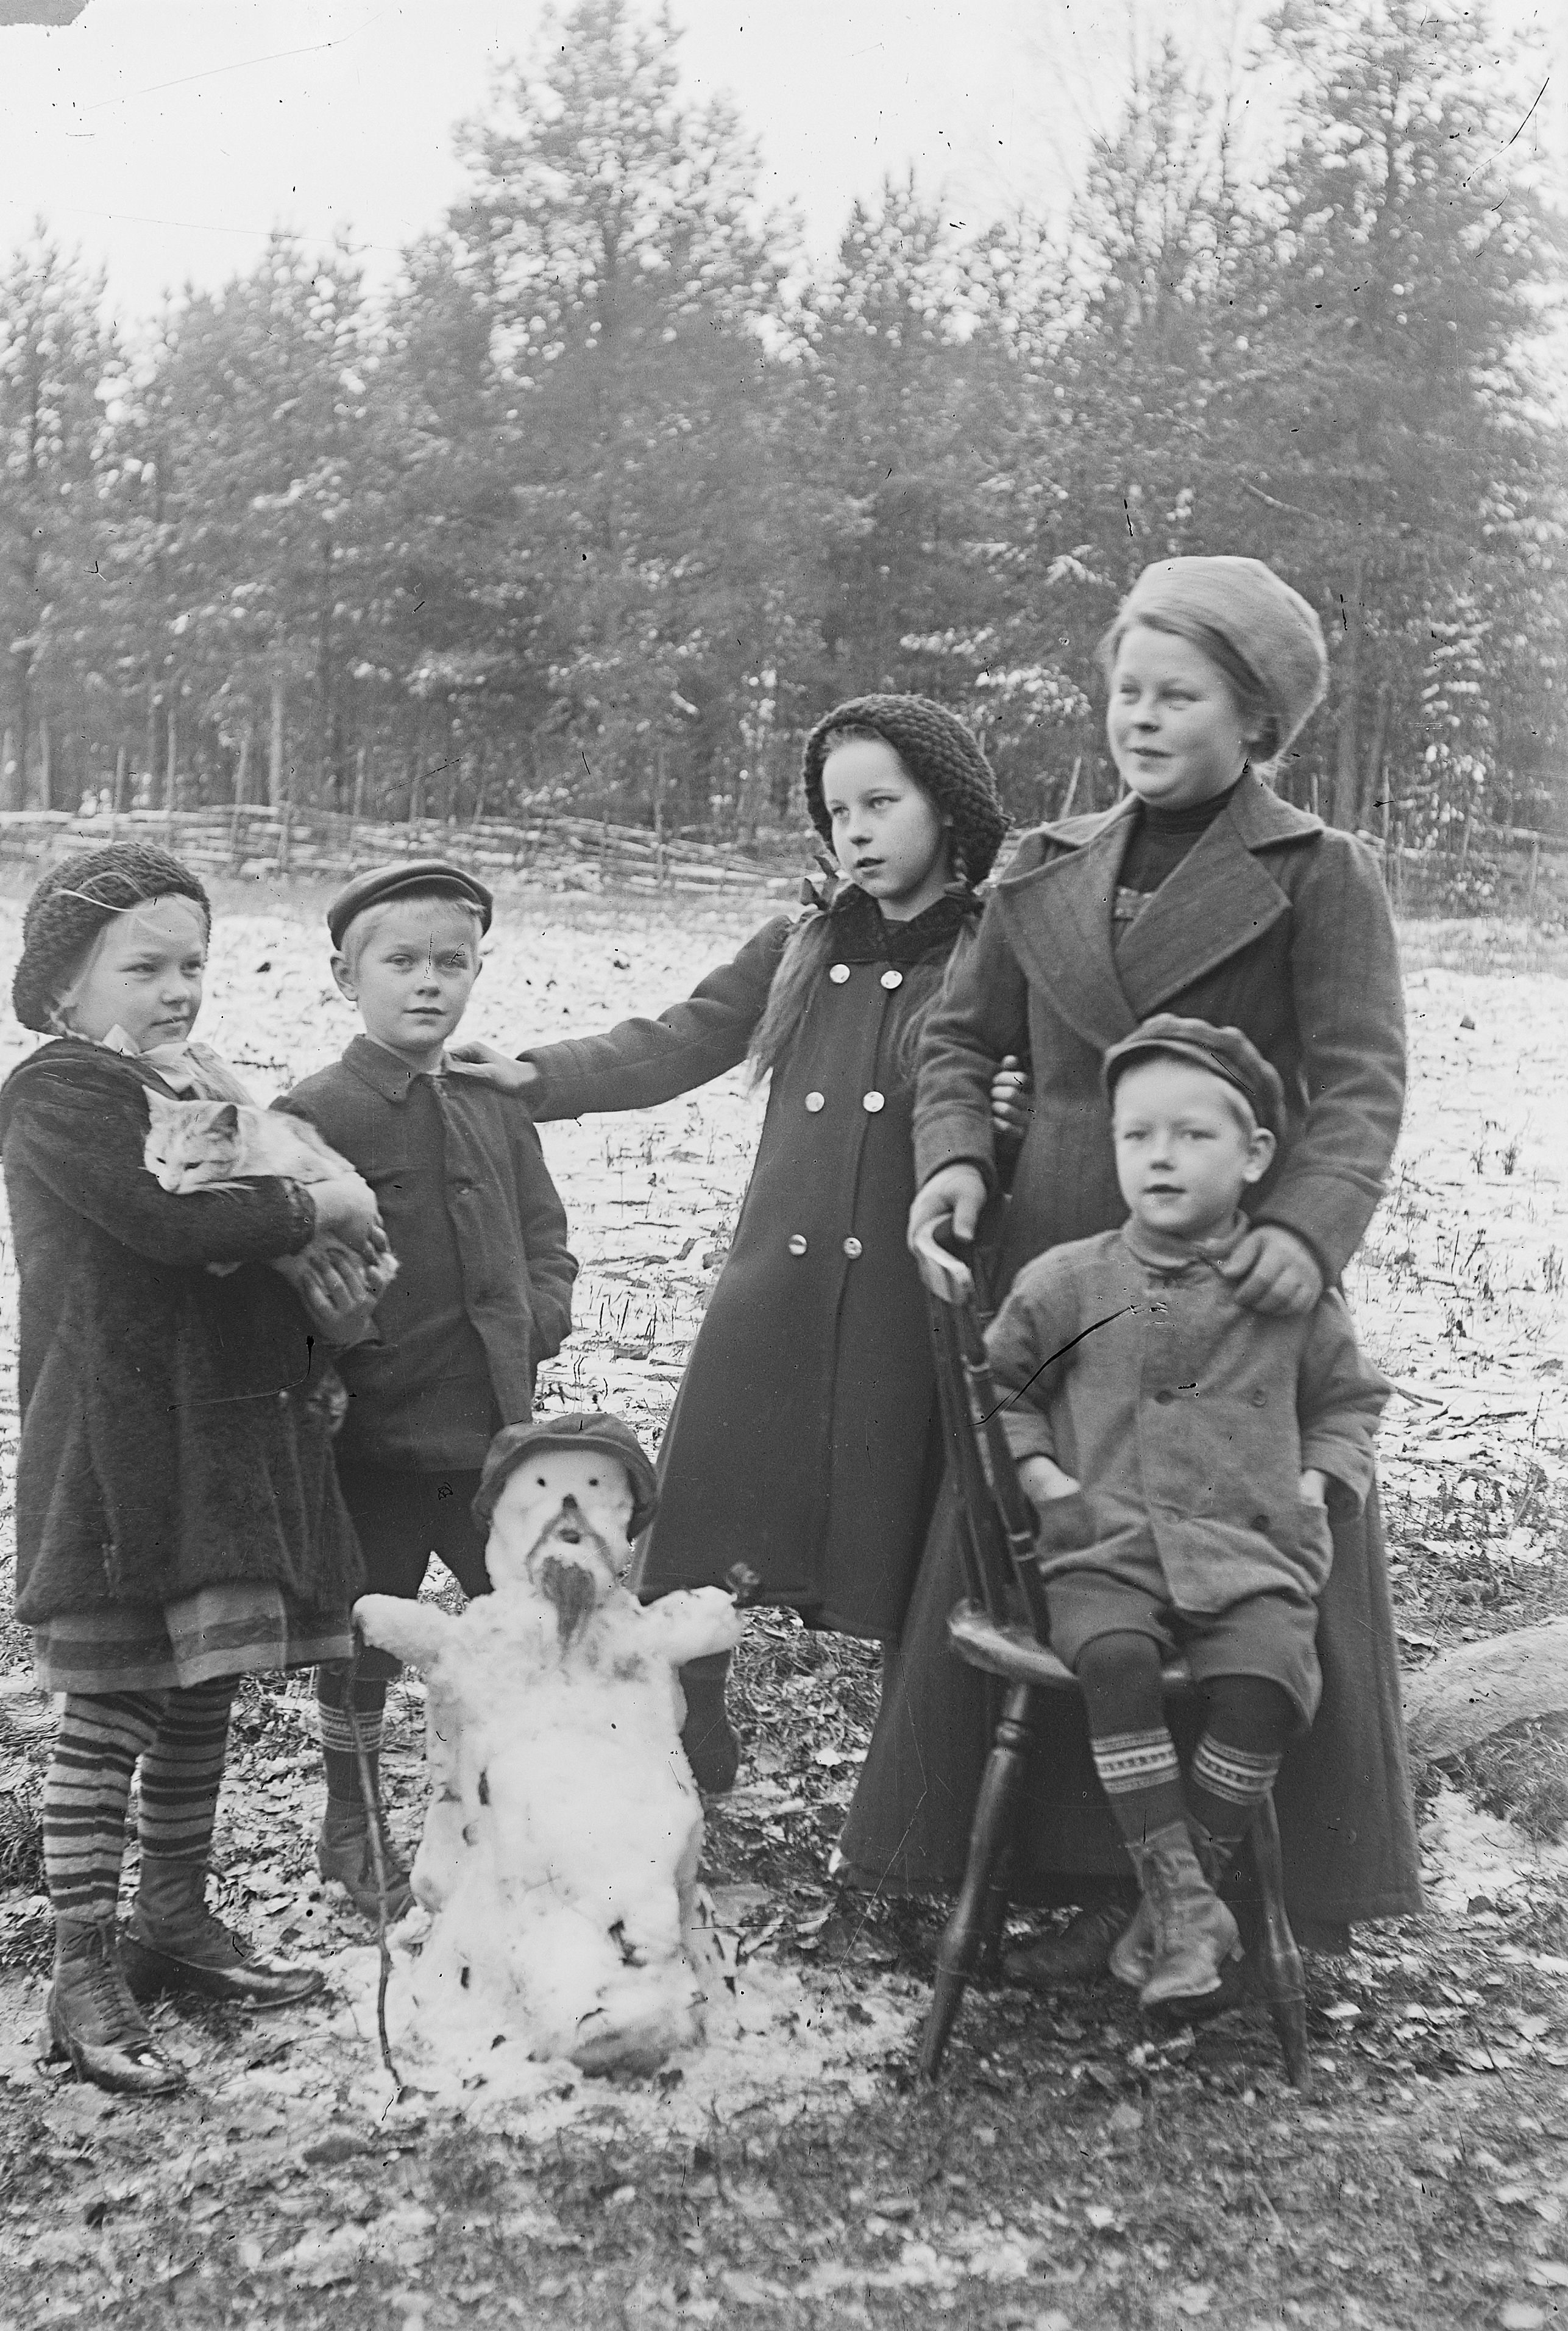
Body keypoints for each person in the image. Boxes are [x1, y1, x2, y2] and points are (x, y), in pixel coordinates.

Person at [841, 554, 1422, 1980]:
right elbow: (964, 1043)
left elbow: (1357, 1085)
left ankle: (1250, 1888)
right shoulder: (1042, 863)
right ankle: (1044, 1866)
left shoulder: (1317, 873)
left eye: (1181, 695)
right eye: (1126, 691)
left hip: (1241, 1279)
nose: (1142, 720)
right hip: (1062, 1259)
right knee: (1068, 1548)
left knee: (1244, 1570)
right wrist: (958, 1159)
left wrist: (1305, 1228)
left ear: (1259, 719)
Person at [455, 696, 1018, 1792]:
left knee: (909, 1521)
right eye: (836, 810)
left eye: (881, 804)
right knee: (708, 1506)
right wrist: (541, 1077)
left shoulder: (992, 951)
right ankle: (690, 1714)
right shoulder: (803, 941)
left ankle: (913, 1780)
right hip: (779, 1281)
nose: (854, 831)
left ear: (948, 812)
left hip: (912, 1293)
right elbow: (685, 1036)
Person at [1, 846, 384, 2096]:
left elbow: (253, 1232)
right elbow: (170, 1222)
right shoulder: (62, 1090)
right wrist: (305, 1208)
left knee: (204, 1685)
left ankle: (171, 1915)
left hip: (214, 1432)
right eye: (145, 966)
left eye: (194, 964)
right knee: (115, 1696)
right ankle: (80, 1960)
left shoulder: (197, 1086)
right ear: (66, 984)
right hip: (115, 1441)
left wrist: (316, 1333)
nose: (178, 989)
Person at [988, 1017, 1389, 2004]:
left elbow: (1348, 1403)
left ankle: (1180, 1903)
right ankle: (1182, 1898)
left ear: (1254, 1155)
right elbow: (1005, 1387)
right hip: (1108, 1547)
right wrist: (1045, 1480)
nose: (1160, 1157)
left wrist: (1313, 1487)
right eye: (1137, 1136)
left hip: (1252, 1549)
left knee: (1263, 1683)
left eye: (1192, 1135)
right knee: (1114, 1658)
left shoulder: (1288, 1292)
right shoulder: (1072, 1280)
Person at [280, 860, 578, 1918]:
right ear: (344, 975)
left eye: (451, 963)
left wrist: (540, 1314)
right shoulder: (315, 1111)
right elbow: (295, 1273)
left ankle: (517, 1815)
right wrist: (348, 1364)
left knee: (524, 1628)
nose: (428, 985)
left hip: (493, 1437)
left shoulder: (493, 1103)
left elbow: (546, 1233)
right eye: (400, 962)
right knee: (368, 1637)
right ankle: (352, 1823)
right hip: (378, 1443)